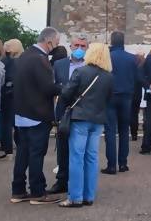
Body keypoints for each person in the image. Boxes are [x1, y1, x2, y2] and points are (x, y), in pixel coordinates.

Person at [10, 27, 62, 205]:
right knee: (36, 154)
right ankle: (38, 192)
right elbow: (48, 88)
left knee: (22, 154)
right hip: (37, 114)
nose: (55, 47)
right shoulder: (40, 59)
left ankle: (18, 190)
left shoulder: (24, 56)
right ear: (48, 41)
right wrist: (64, 88)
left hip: (21, 113)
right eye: (55, 43)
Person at [58, 43, 114, 208]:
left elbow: (66, 93)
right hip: (98, 120)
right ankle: (89, 196)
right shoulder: (109, 76)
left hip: (80, 118)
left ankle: (75, 196)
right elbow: (109, 98)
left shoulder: (80, 71)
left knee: (76, 157)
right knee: (92, 157)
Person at [49, 35, 87, 194]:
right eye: (76, 45)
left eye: (83, 46)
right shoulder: (59, 64)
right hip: (63, 110)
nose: (79, 49)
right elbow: (51, 86)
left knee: (81, 149)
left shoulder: (90, 65)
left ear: (87, 48)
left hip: (82, 110)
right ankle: (62, 180)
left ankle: (80, 182)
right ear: (70, 46)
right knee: (63, 147)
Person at [102, 31, 138, 174]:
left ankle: (111, 165)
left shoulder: (107, 57)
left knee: (110, 131)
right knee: (124, 131)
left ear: (112, 41)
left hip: (110, 96)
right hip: (126, 96)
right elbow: (137, 77)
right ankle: (123, 163)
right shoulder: (132, 58)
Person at [0, 39, 23, 156]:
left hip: (6, 94)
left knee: (6, 122)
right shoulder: (23, 61)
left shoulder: (5, 61)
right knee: (17, 122)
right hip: (20, 95)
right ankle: (20, 146)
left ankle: (7, 148)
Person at [130, 52, 145, 141]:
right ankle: (134, 134)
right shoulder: (141, 70)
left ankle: (130, 132)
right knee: (135, 114)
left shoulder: (130, 70)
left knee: (129, 113)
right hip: (137, 94)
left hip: (130, 93)